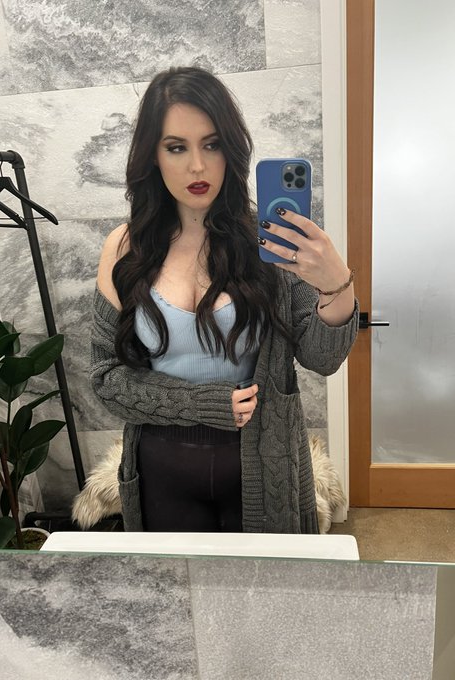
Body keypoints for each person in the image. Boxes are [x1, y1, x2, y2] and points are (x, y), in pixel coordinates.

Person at [90, 66, 359, 534]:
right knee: (175, 583)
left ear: (231, 150)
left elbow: (322, 358)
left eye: (211, 144)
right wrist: (206, 404)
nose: (197, 166)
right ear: (153, 156)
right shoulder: (125, 248)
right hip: (160, 471)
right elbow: (106, 377)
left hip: (265, 465)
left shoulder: (269, 243)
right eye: (177, 147)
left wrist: (337, 284)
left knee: (270, 581)